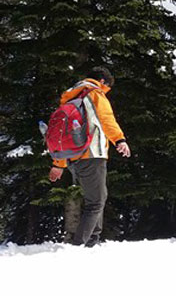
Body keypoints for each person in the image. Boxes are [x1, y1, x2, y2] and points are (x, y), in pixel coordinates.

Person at [48, 67, 131, 247]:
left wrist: (59, 164)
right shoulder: (95, 94)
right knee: (97, 201)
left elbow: (62, 135)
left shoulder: (71, 97)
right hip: (92, 154)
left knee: (97, 198)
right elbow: (107, 119)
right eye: (107, 86)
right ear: (102, 81)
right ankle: (80, 246)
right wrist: (120, 140)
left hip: (75, 157)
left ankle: (93, 241)